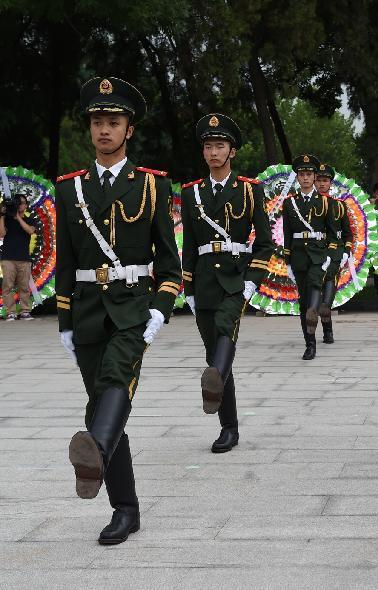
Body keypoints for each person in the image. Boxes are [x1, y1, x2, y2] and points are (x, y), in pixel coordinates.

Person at [55, 76, 181, 544]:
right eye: (97, 122)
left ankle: (97, 458)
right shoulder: (69, 190)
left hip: (131, 309)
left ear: (129, 129)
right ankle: (124, 507)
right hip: (87, 310)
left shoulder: (152, 186)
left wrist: (160, 309)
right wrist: (65, 322)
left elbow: (170, 260)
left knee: (114, 385)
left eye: (114, 122)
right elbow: (66, 263)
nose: (104, 130)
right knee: (105, 406)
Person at [180, 113, 274, 453]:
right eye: (208, 146)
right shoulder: (192, 193)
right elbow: (189, 246)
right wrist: (187, 288)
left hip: (236, 280)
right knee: (216, 353)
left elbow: (265, 242)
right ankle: (228, 426)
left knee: (225, 331)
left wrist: (252, 282)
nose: (214, 152)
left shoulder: (249, 190)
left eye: (220, 145)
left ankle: (216, 388)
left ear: (232, 151)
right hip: (204, 281)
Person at [282, 154, 338, 360]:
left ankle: (313, 319)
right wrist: (287, 260)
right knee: (303, 301)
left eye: (309, 174)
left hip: (319, 256)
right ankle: (309, 341)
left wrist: (331, 257)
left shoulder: (325, 202)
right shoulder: (290, 203)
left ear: (314, 177)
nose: (305, 178)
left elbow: (333, 234)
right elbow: (287, 234)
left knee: (315, 286)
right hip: (298, 256)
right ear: (297, 178)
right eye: (302, 174)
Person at [318, 163, 351, 343]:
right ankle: (320, 328)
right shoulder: (306, 204)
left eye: (325, 180)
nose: (322, 184)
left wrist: (346, 251)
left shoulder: (339, 206)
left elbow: (347, 233)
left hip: (334, 254)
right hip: (314, 252)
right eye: (319, 180)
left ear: (331, 183)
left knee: (328, 289)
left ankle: (327, 330)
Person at [0, 194, 37, 320]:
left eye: (22, 203)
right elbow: (1, 234)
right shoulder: (7, 220)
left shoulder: (30, 219)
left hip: (24, 259)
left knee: (24, 287)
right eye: (18, 203)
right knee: (7, 287)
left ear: (26, 205)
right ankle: (11, 312)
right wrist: (2, 216)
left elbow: (30, 231)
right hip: (8, 258)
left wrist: (18, 218)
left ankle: (25, 311)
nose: (20, 205)